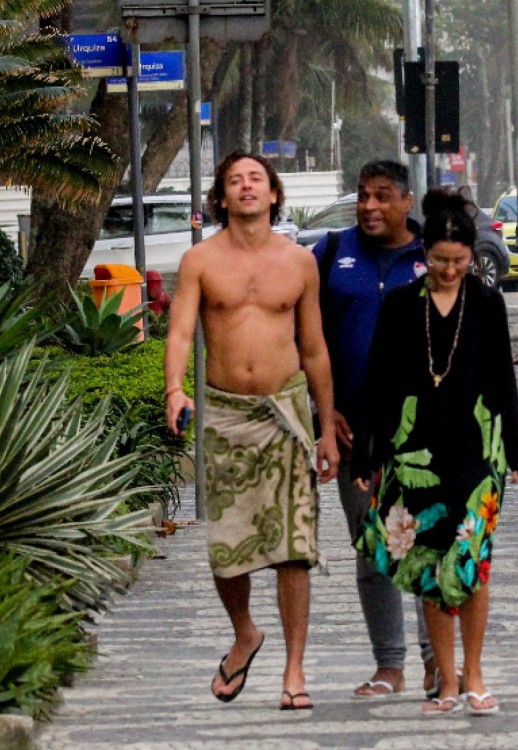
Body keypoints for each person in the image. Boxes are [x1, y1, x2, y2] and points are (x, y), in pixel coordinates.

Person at [164, 151, 340, 711]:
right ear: (221, 197)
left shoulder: (300, 263)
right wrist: (174, 389)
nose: (245, 187)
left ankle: (294, 671)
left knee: (293, 549)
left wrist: (327, 429)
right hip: (226, 415)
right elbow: (180, 335)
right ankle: (244, 631)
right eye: (235, 180)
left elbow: (314, 348)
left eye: (255, 180)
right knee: (228, 549)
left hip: (286, 414)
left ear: (272, 195)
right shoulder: (199, 260)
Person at [351, 188, 518, 716]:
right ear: (423, 254)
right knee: (429, 565)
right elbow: (378, 386)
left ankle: (475, 673)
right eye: (438, 261)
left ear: (472, 256)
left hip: (477, 454)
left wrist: (517, 451)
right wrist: (369, 454)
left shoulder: (489, 303)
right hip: (413, 456)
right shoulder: (401, 305)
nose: (449, 270)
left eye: (459, 261)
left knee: (471, 563)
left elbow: (503, 380)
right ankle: (446, 680)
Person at [312, 160, 438, 698]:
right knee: (374, 548)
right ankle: (390, 665)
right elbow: (307, 336)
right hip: (353, 429)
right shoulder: (330, 254)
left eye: (382, 196)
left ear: (406, 202)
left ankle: (440, 660)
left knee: (425, 543)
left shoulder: (432, 256)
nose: (368, 206)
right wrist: (325, 411)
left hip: (423, 431)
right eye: (363, 195)